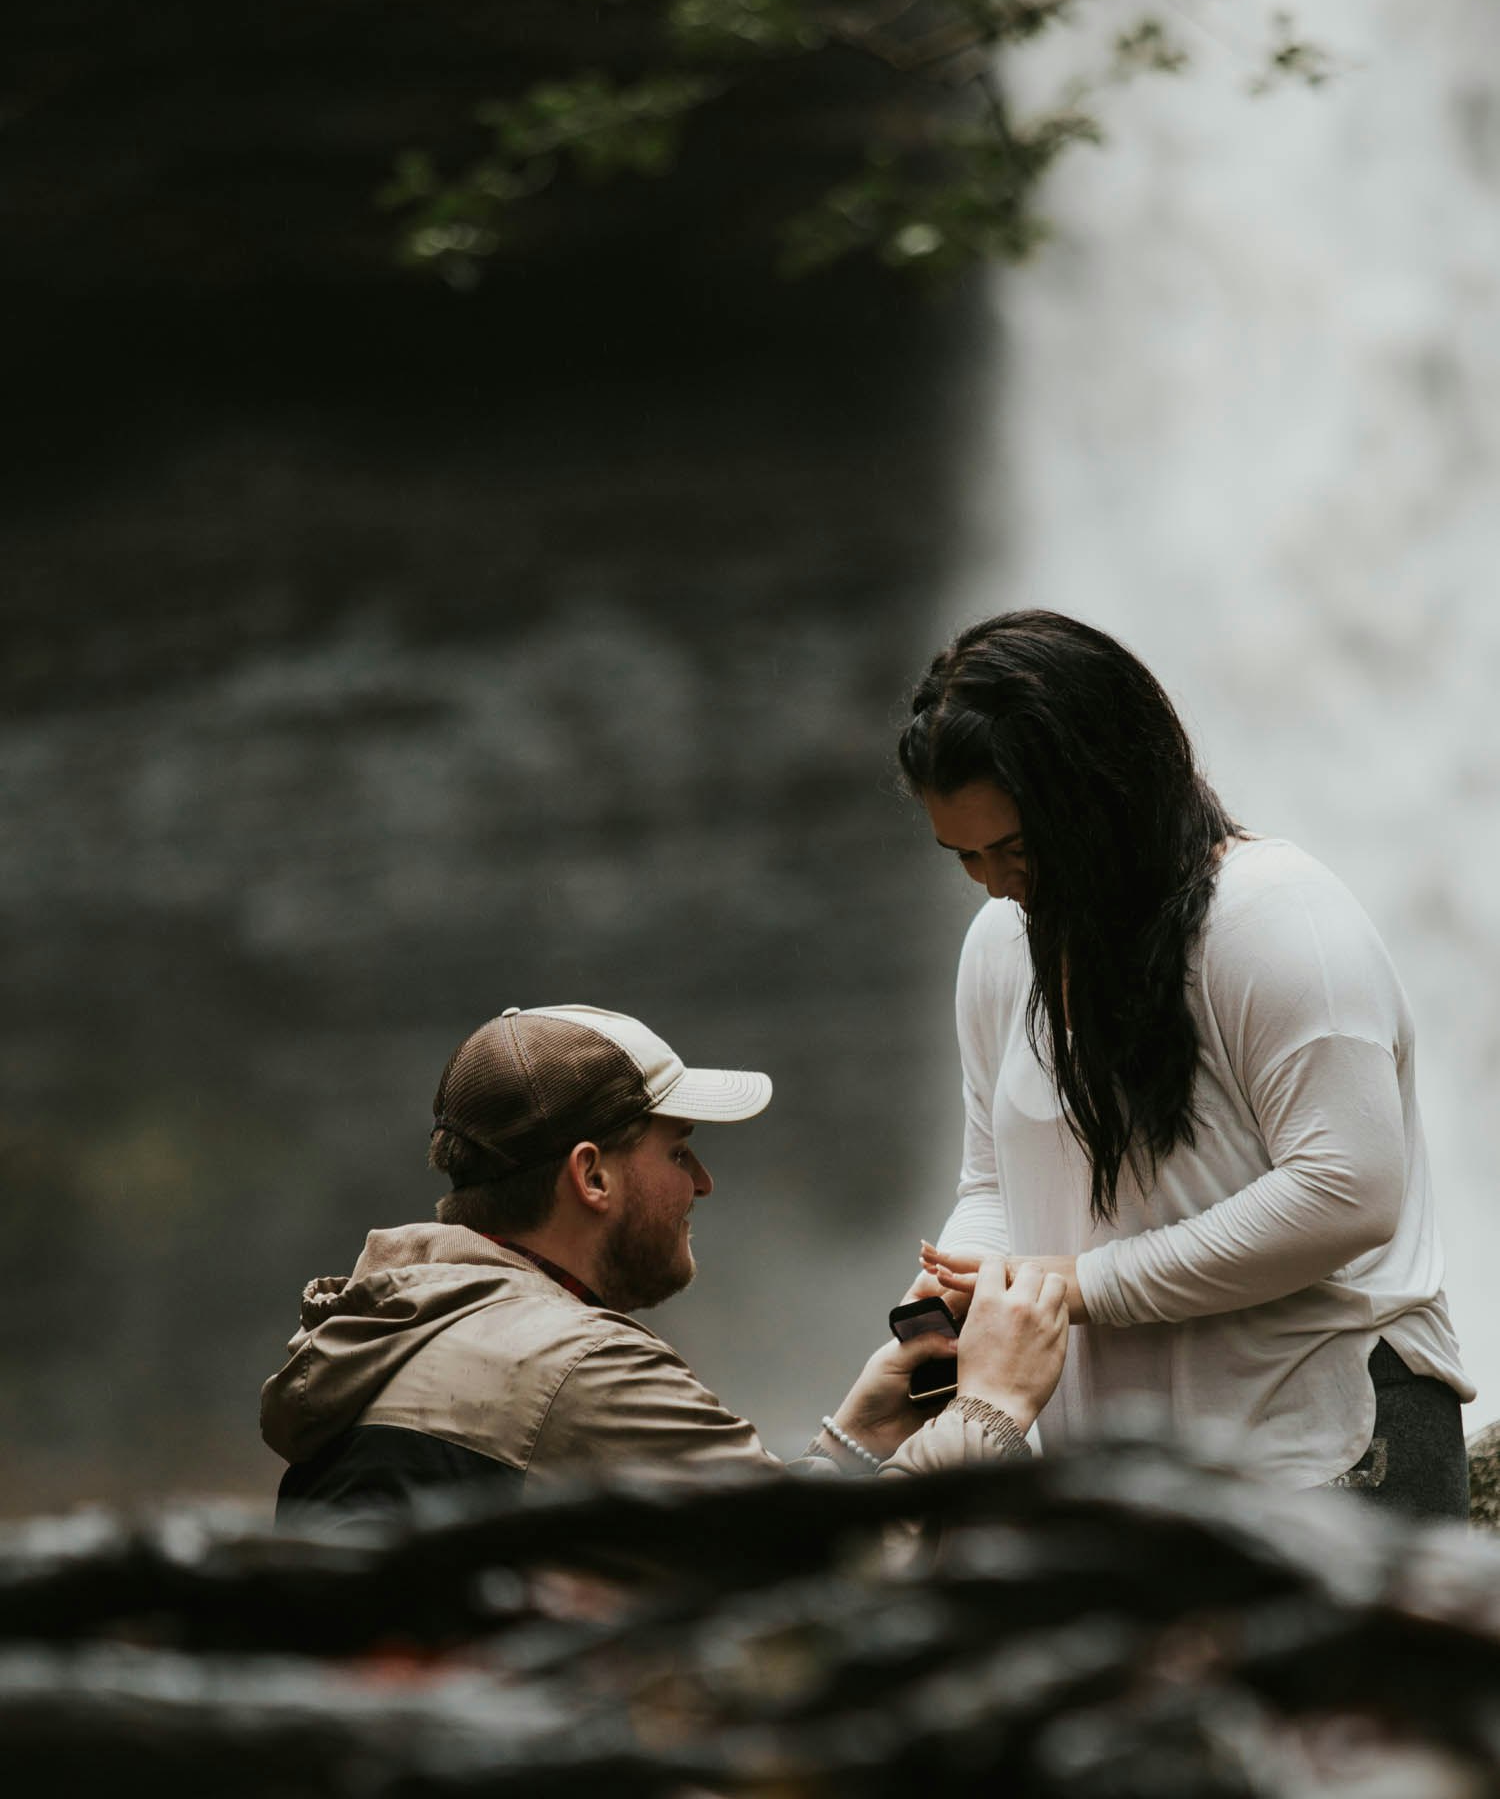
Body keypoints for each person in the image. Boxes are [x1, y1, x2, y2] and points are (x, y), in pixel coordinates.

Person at [898, 610, 1471, 1517]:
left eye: (1015, 849)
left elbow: (1348, 1191)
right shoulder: (1001, 947)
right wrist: (961, 1289)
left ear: (1104, 794)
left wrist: (1076, 1285)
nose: (993, 882)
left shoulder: (1275, 918)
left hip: (1330, 1456)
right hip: (1132, 1489)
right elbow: (993, 1182)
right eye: (962, 855)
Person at [263, 1002, 1069, 1526]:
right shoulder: (577, 1368)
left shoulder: (392, 1334)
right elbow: (822, 1580)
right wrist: (989, 1409)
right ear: (592, 1175)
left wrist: (860, 1437)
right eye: (679, 1152)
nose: (704, 1183)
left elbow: (732, 1540)